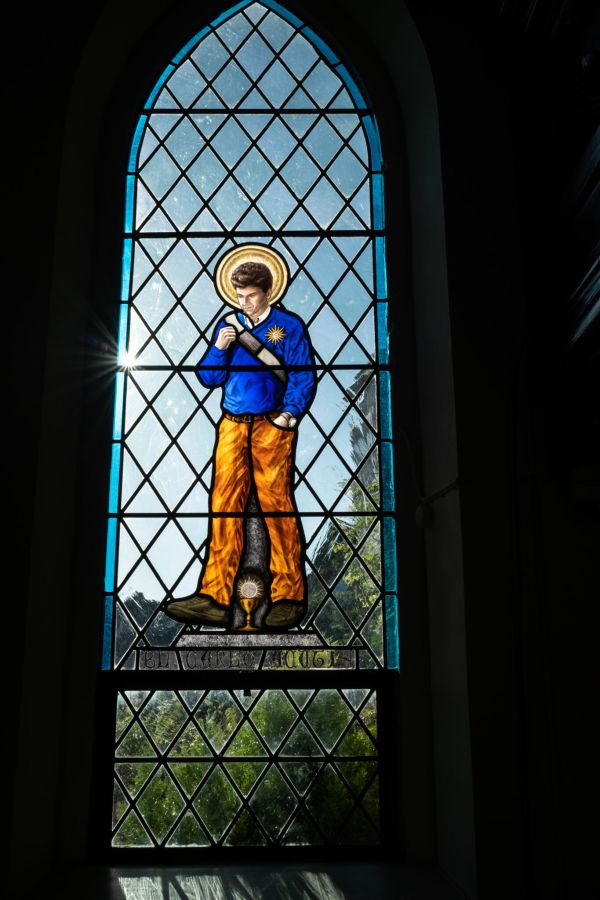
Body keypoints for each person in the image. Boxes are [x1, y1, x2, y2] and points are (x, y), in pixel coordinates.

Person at [165, 247, 316, 630]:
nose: (244, 302)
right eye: (239, 296)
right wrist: (219, 348)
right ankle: (214, 596)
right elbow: (208, 377)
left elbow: (302, 375)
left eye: (250, 295)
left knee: (276, 505)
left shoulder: (288, 327)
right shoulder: (228, 326)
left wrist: (289, 415)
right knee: (224, 505)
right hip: (231, 424)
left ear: (268, 292)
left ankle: (289, 595)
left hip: (271, 425)